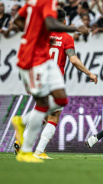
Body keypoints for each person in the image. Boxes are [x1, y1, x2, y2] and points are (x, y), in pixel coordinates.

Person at [11, 0, 88, 163]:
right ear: (65, 20)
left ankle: (22, 125)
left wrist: (34, 35)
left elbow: (17, 20)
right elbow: (50, 23)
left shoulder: (33, 4)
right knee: (49, 113)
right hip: (38, 66)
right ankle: (32, 150)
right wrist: (75, 28)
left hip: (43, 66)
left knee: (58, 102)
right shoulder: (46, 6)